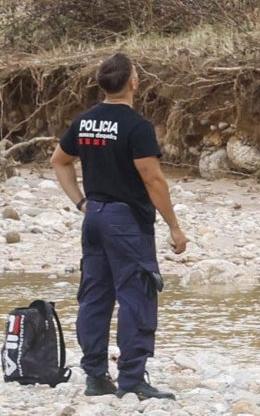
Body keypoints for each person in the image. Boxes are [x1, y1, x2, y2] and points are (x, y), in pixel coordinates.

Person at [51, 52, 188, 401]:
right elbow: (153, 179)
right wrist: (174, 226)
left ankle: (95, 377)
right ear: (133, 83)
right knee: (136, 298)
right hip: (127, 222)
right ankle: (132, 379)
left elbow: (59, 161)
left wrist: (82, 202)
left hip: (94, 217)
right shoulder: (136, 127)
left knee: (95, 297)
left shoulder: (85, 121)